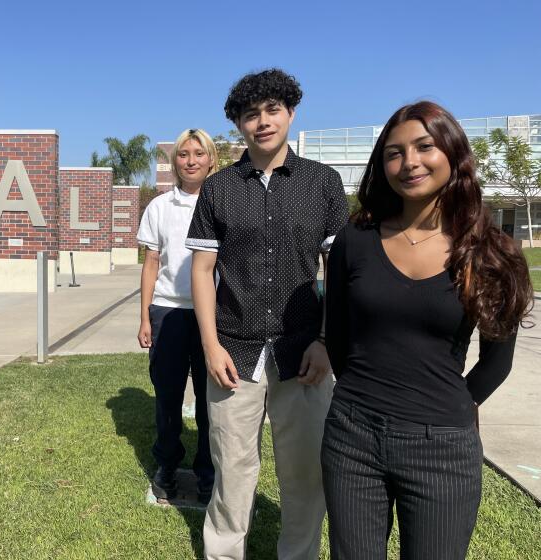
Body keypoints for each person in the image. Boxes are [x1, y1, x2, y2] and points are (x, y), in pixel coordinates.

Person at [322, 101, 534, 559]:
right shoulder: (355, 238)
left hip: (442, 448)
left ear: (453, 153)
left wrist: (455, 405)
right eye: (394, 153)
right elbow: (337, 336)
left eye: (424, 147)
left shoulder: (492, 252)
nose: (410, 162)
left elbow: (497, 361)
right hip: (351, 436)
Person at [186, 69, 349, 560]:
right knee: (232, 472)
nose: (262, 122)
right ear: (238, 123)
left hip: (305, 352)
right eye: (250, 114)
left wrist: (326, 340)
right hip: (233, 351)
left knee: (304, 475)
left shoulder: (323, 182)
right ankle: (222, 553)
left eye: (272, 110)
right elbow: (202, 270)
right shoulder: (218, 189)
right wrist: (211, 346)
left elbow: (338, 271)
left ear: (291, 112)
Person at [136, 128, 218, 504]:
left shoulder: (224, 203)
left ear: (211, 159)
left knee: (209, 401)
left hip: (212, 317)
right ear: (175, 162)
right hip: (168, 312)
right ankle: (167, 465)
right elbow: (151, 264)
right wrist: (144, 317)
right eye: (184, 154)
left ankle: (207, 472)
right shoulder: (159, 207)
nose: (191, 160)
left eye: (198, 153)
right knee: (167, 399)